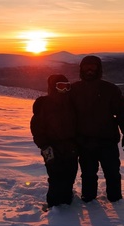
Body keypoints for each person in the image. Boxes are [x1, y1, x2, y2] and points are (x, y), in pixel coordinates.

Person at [69, 55, 124, 203]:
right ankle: (88, 197)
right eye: (86, 67)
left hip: (107, 140)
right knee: (88, 173)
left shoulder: (110, 89)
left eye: (93, 66)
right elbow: (67, 114)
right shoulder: (74, 90)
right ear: (81, 69)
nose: (90, 70)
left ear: (99, 68)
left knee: (112, 172)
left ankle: (115, 199)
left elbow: (121, 112)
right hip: (84, 140)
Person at [30, 74, 78, 208]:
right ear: (52, 87)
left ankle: (67, 200)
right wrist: (45, 146)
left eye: (67, 86)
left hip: (70, 146)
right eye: (60, 86)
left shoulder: (71, 103)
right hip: (51, 147)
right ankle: (54, 204)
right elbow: (37, 127)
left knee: (70, 173)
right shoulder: (44, 104)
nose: (64, 90)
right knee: (55, 175)